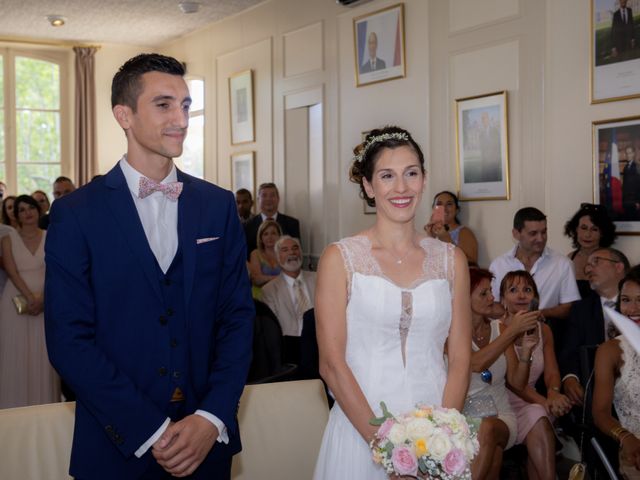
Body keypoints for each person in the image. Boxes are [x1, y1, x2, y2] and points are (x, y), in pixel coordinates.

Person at [44, 53, 254, 479]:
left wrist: (211, 417)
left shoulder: (217, 205)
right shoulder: (76, 213)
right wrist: (150, 429)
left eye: (186, 105)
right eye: (163, 104)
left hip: (205, 447)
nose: (181, 118)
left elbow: (237, 319)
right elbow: (69, 340)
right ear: (124, 115)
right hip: (115, 448)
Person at [312, 126, 471, 479]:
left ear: (424, 180)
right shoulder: (340, 259)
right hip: (360, 431)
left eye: (411, 173)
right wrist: (385, 448)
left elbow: (460, 358)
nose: (401, 188)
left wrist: (439, 441)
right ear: (369, 186)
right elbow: (331, 365)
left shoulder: (451, 260)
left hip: (435, 435)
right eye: (387, 176)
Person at [466, 267, 538, 479]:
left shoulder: (501, 330)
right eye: (483, 293)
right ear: (463, 296)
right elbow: (476, 363)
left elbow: (517, 382)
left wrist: (525, 353)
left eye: (491, 291)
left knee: (488, 429)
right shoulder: (450, 333)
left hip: (500, 416)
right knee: (494, 452)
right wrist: (513, 331)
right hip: (463, 417)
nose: (491, 298)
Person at [500, 270, 572, 480]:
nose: (521, 295)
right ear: (503, 300)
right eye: (513, 290)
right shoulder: (498, 328)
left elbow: (551, 372)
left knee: (537, 413)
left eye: (527, 290)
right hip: (502, 402)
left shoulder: (544, 330)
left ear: (535, 298)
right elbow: (511, 382)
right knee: (538, 412)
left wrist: (554, 393)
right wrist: (545, 402)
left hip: (533, 402)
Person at [0, 195, 60, 408]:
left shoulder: (51, 234)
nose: (28, 213)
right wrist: (30, 297)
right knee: (16, 354)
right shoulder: (8, 238)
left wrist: (42, 298)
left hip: (47, 300)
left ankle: (43, 406)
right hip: (14, 301)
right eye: (22, 210)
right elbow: (11, 270)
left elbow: (56, 269)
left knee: (43, 353)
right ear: (15, 216)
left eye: (31, 208)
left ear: (38, 210)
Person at [559, 247, 629, 406]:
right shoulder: (581, 309)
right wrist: (570, 378)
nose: (588, 269)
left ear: (618, 267)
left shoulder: (635, 304)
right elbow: (570, 351)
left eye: (595, 262)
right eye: (586, 266)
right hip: (594, 387)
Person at [490, 207, 580, 320]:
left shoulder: (563, 264)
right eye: (533, 233)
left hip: (548, 329)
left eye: (544, 232)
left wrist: (539, 314)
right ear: (516, 234)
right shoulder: (498, 265)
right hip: (507, 330)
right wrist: (513, 319)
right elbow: (492, 303)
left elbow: (568, 307)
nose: (540, 238)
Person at [593, 268, 640, 479]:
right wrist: (625, 437)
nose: (633, 308)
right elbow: (600, 412)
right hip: (634, 445)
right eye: (626, 300)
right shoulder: (610, 351)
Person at [262, 235, 317, 337]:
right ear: (278, 257)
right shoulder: (270, 290)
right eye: (285, 250)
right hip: (289, 344)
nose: (292, 253)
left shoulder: (317, 279)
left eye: (295, 248)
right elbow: (272, 327)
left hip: (319, 338)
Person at [564, 203, 618, 298]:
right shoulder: (569, 259)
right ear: (576, 229)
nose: (588, 234)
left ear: (602, 233)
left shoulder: (612, 259)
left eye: (594, 229)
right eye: (584, 228)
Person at [243, 182, 300, 258]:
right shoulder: (247, 226)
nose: (268, 199)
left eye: (272, 195)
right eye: (264, 195)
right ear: (258, 200)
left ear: (278, 199)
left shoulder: (292, 224)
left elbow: (297, 253)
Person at [424, 190, 478, 264]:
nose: (444, 208)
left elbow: (472, 264)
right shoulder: (428, 232)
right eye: (439, 204)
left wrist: (446, 240)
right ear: (433, 209)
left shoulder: (464, 232)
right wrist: (430, 239)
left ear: (457, 210)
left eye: (449, 204)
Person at [247, 219, 282, 299]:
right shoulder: (255, 253)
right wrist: (279, 278)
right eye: (265, 234)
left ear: (279, 236)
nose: (269, 237)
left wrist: (266, 278)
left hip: (281, 294)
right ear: (261, 238)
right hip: (261, 295)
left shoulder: (283, 253)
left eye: (273, 233)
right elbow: (257, 280)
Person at [623, 145, 640, 220]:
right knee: (627, 219)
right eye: (627, 153)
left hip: (634, 201)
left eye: (630, 153)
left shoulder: (637, 167)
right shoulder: (626, 167)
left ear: (633, 154)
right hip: (626, 200)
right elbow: (625, 185)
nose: (628, 155)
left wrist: (638, 201)